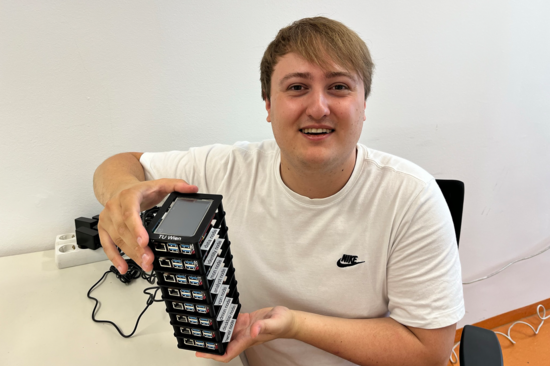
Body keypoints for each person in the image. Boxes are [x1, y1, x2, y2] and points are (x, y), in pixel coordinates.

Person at [93, 17, 464, 366]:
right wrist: (124, 192)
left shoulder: (411, 198)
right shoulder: (228, 168)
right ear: (268, 106)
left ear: (363, 104)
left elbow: (428, 350)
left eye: (338, 87)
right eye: (297, 88)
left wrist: (295, 325)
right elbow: (122, 164)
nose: (318, 108)